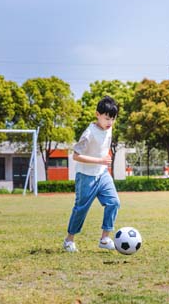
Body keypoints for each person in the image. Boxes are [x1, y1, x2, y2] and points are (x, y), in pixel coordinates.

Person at [63, 96, 120, 252]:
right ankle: (69, 240)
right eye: (107, 118)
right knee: (81, 209)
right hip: (86, 176)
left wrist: (104, 161)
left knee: (114, 202)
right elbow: (75, 156)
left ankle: (105, 238)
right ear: (97, 114)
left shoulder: (109, 128)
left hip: (102, 174)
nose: (110, 122)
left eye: (113, 119)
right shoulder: (88, 133)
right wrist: (99, 160)